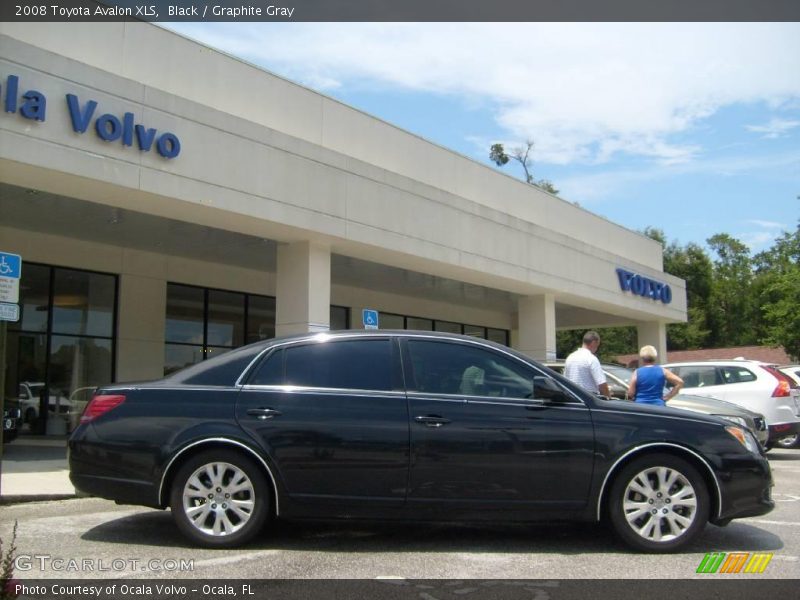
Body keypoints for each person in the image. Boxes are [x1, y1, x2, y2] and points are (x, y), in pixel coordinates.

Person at [564, 331, 610, 396]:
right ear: (593, 343)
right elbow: (601, 384)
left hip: (573, 398)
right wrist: (608, 397)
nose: (597, 348)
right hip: (590, 398)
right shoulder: (591, 359)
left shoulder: (570, 357)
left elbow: (565, 380)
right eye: (597, 345)